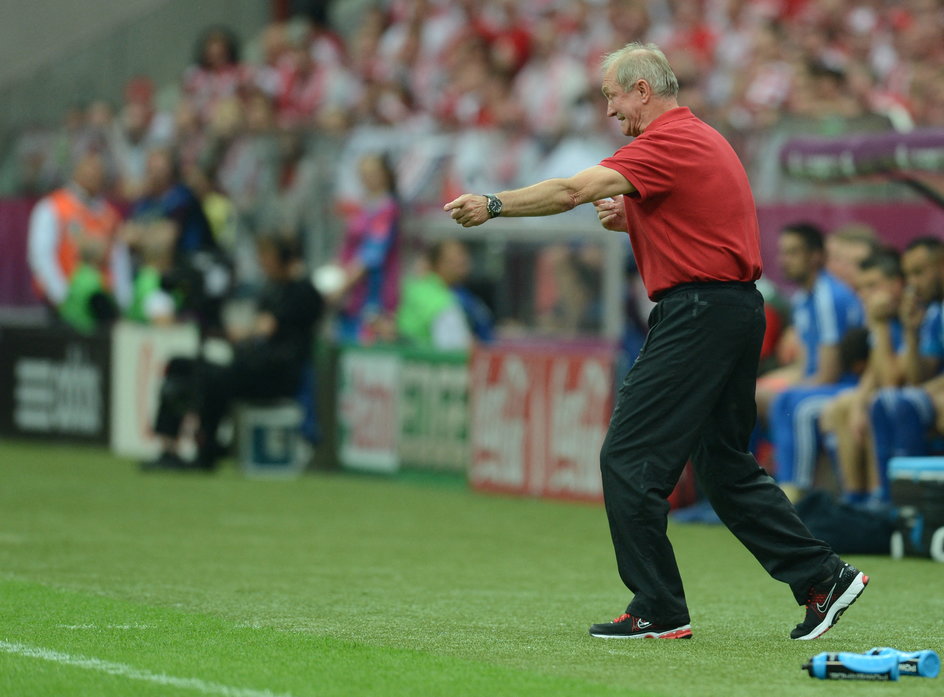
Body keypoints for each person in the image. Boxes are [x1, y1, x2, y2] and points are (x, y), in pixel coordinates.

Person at [445, 42, 867, 641]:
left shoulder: (666, 141)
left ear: (642, 89)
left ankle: (659, 606)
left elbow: (571, 191)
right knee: (723, 467)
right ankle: (823, 577)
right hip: (729, 309)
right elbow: (698, 221)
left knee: (627, 456)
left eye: (613, 96)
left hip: (698, 313)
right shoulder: (699, 138)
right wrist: (638, 218)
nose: (611, 110)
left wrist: (494, 204)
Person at [145, 234, 323, 471]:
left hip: (277, 375)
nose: (262, 264)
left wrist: (243, 333)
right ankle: (168, 448)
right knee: (181, 365)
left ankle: (207, 452)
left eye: (267, 258)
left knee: (212, 378)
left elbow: (266, 328)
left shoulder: (304, 291)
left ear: (284, 258)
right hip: (251, 366)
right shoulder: (272, 288)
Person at [27, 151, 132, 333]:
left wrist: (122, 303)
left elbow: (119, 262)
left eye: (98, 170)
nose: (93, 174)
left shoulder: (109, 215)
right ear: (76, 170)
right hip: (63, 306)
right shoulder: (52, 207)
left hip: (102, 308)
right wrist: (63, 299)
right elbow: (41, 256)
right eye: (88, 168)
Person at [396, 239, 473, 350]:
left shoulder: (413, 288)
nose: (462, 263)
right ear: (437, 264)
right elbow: (455, 350)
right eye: (453, 260)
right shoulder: (443, 303)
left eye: (463, 257)